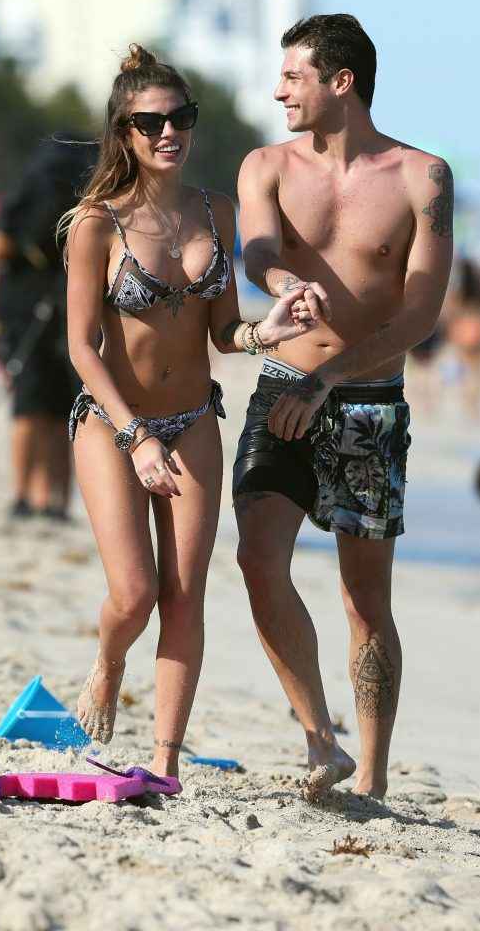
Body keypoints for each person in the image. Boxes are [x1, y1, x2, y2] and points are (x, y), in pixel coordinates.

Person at [64, 45, 311, 779]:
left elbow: (222, 330)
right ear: (125, 133)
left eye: (181, 117)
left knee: (183, 596)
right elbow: (81, 348)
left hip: (194, 420)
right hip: (114, 425)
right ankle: (109, 661)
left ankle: (165, 762)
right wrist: (135, 437)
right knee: (134, 594)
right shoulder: (95, 224)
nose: (169, 132)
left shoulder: (215, 210)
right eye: (151, 122)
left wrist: (266, 332)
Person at [233, 14, 454, 801]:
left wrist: (326, 379)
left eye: (292, 76)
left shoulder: (422, 178)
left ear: (341, 81)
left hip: (366, 404)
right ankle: (318, 738)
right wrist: (282, 283)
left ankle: (375, 777)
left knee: (365, 601)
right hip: (279, 389)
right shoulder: (264, 165)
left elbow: (418, 314)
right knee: (258, 563)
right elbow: (258, 250)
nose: (277, 90)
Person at [0, 136, 96, 519]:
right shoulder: (84, 197)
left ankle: (30, 496)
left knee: (36, 408)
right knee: (58, 410)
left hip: (33, 311)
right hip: (58, 311)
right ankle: (49, 498)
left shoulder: (28, 189)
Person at [446, 257, 480, 419]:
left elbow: (451, 313)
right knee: (477, 371)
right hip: (477, 329)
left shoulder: (459, 294)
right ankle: (475, 407)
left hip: (462, 330)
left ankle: (467, 404)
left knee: (465, 371)